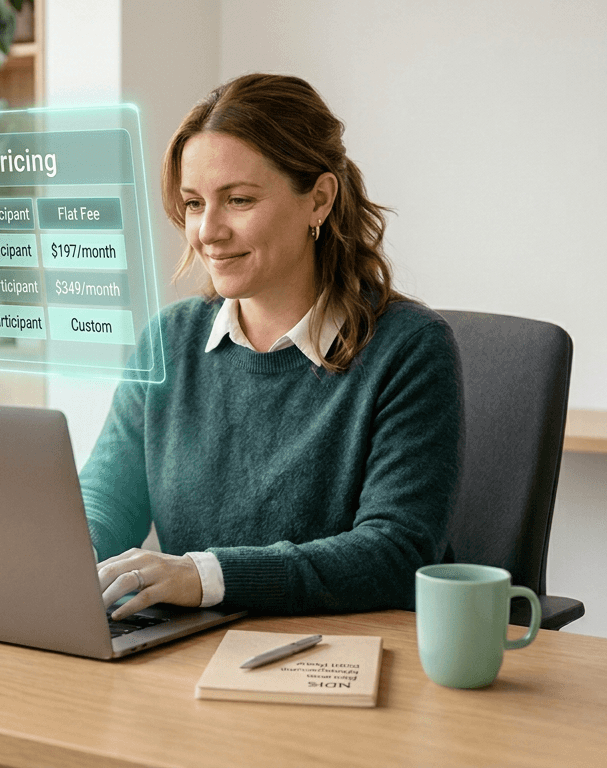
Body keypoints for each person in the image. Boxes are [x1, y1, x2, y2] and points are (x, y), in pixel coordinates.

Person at [81, 73, 464, 621]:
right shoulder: (170, 341)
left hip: (344, 665)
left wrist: (203, 576)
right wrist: (66, 558)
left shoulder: (410, 350)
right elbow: (103, 503)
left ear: (320, 200)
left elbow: (395, 552)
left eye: (238, 200)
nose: (207, 231)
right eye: (193, 204)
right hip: (193, 656)